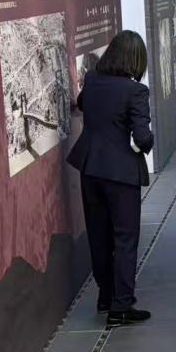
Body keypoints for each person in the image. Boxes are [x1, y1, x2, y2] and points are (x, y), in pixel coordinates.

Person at [67, 30, 154, 328]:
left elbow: (82, 103)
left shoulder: (92, 80)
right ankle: (122, 306)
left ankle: (105, 296)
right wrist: (145, 143)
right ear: (136, 60)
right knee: (125, 237)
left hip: (90, 167)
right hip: (121, 173)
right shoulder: (136, 91)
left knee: (99, 234)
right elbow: (142, 136)